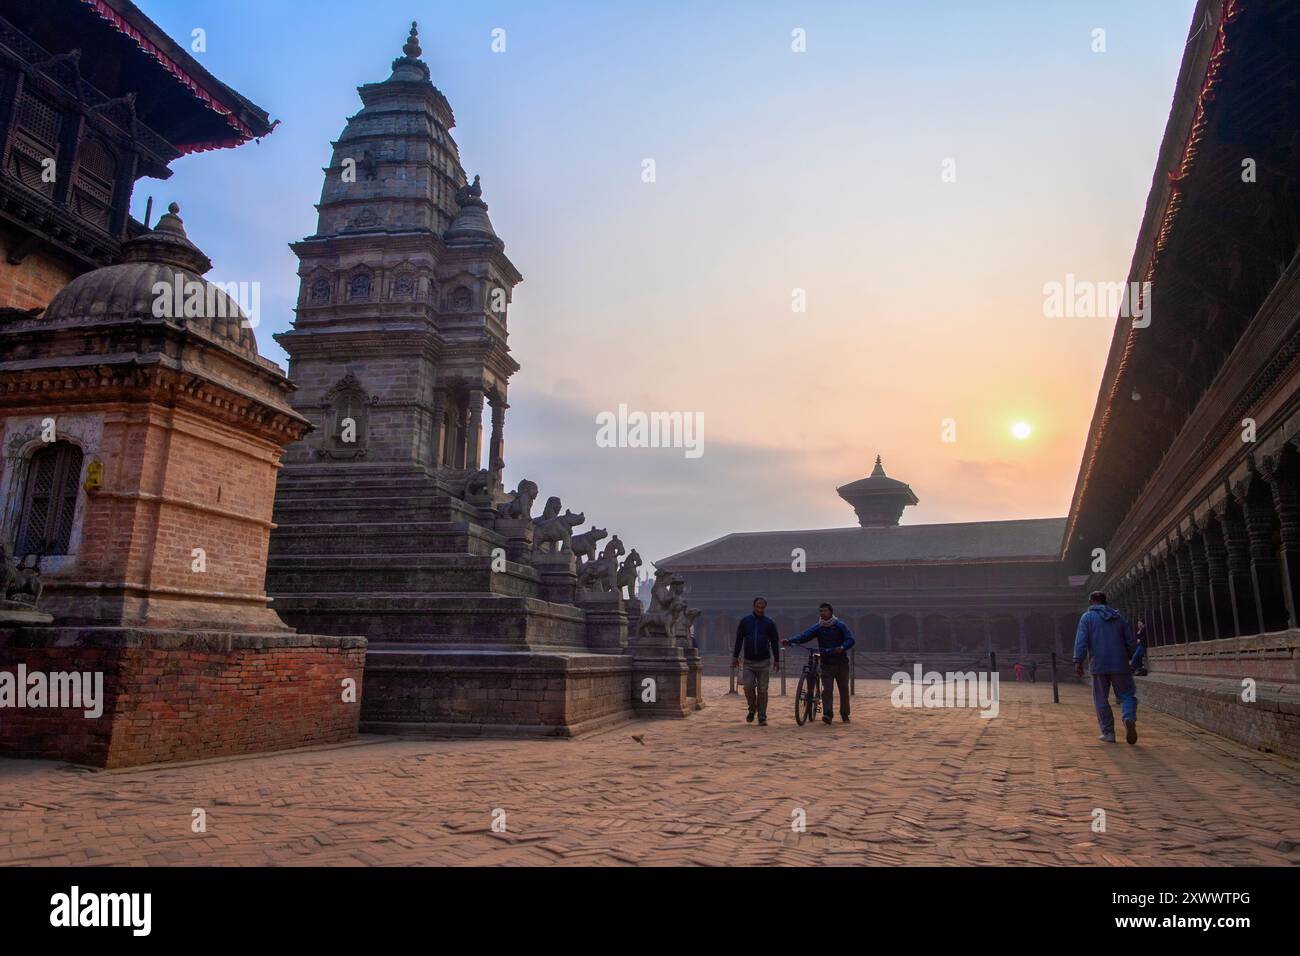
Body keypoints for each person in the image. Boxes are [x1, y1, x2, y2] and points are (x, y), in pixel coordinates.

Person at [1073, 590, 1139, 744]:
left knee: (1101, 699)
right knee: (1127, 695)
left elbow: (1081, 641)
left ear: (1091, 602)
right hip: (1120, 663)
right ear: (1105, 601)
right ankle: (1128, 717)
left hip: (1098, 664)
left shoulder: (1087, 618)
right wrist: (1130, 658)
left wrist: (1078, 660)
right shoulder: (1119, 617)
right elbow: (1130, 641)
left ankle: (1109, 733)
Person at [784, 603, 855, 725]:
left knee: (843, 689)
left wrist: (842, 647)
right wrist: (790, 641)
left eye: (825, 611)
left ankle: (845, 714)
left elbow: (850, 639)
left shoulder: (840, 626)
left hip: (841, 663)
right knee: (827, 690)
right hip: (826, 663)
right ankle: (827, 714)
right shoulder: (818, 627)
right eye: (821, 611)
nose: (822, 613)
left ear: (831, 612)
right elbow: (804, 636)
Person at [732, 597, 780, 725]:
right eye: (758, 607)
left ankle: (762, 716)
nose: (760, 609)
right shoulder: (745, 621)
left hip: (764, 661)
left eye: (762, 607)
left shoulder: (769, 623)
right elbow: (739, 639)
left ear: (765, 607)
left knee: (763, 690)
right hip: (748, 662)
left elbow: (775, 642)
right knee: (748, 687)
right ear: (754, 606)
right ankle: (752, 709)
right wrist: (735, 656)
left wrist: (777, 659)